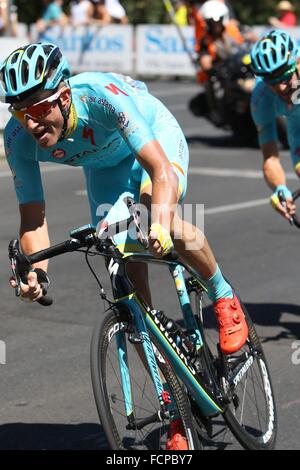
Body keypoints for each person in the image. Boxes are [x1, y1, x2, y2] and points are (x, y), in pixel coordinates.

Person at [0, 42, 248, 449]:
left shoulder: (100, 97)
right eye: (19, 112)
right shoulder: (19, 139)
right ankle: (174, 398)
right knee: (126, 274)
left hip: (153, 142)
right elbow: (34, 218)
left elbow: (160, 170)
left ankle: (223, 297)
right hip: (105, 169)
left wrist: (161, 221)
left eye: (39, 108)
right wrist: (37, 273)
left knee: (152, 220)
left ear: (64, 96)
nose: (31, 123)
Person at [250, 29, 300, 222]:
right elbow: (270, 157)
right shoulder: (261, 99)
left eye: (285, 77)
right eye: (273, 81)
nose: (280, 88)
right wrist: (280, 188)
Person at [193, 0, 245, 84]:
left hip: (237, 70)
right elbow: (206, 62)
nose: (216, 25)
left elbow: (245, 44)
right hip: (219, 77)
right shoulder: (205, 40)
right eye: (212, 22)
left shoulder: (232, 30)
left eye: (218, 21)